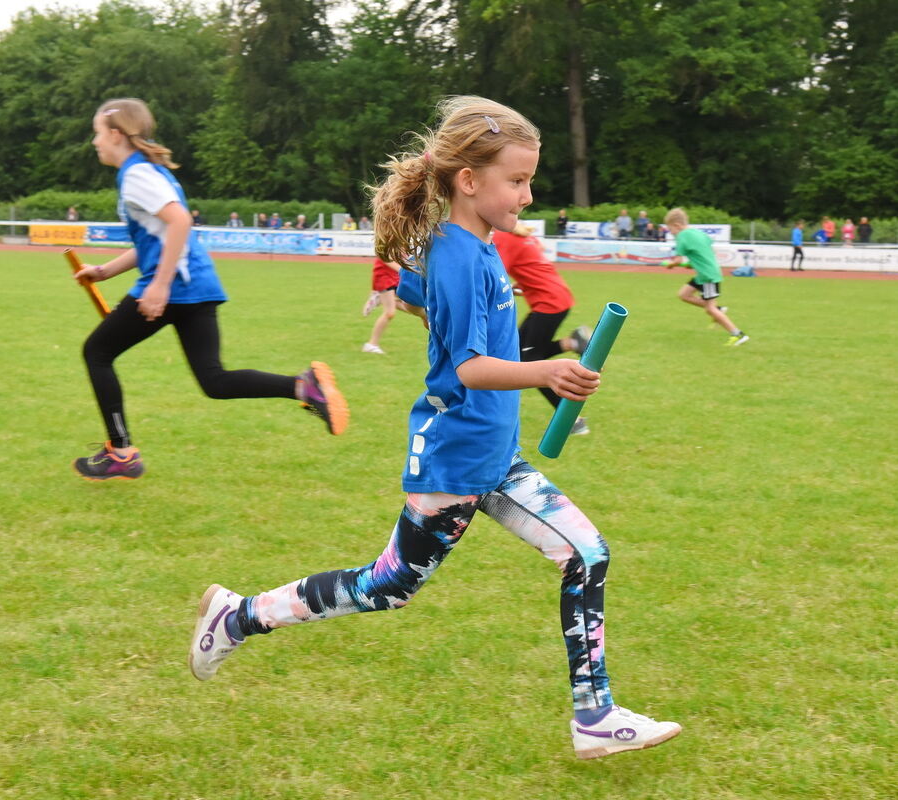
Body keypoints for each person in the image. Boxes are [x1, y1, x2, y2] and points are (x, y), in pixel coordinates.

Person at [189, 95, 682, 761]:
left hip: (493, 455)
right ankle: (240, 616)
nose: (527, 195)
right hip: (455, 459)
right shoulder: (458, 255)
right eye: (516, 180)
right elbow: (470, 367)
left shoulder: (471, 248)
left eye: (529, 180)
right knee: (386, 585)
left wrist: (426, 304)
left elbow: (416, 299)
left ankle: (594, 716)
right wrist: (547, 371)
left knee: (586, 553)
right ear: (468, 181)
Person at [72, 97, 349, 480]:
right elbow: (157, 236)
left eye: (98, 133)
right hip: (198, 284)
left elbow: (180, 221)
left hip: (175, 286)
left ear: (117, 134)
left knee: (97, 352)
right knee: (214, 381)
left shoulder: (136, 175)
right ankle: (304, 387)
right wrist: (105, 271)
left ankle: (121, 453)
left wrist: (159, 286)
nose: (95, 142)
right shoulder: (148, 172)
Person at [493, 223, 592, 434]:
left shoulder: (503, 237)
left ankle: (572, 420)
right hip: (555, 298)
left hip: (548, 303)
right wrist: (522, 284)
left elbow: (496, 275)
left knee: (531, 362)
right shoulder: (522, 236)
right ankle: (572, 342)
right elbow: (532, 265)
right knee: (519, 355)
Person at [663, 207, 749, 346]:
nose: (671, 233)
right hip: (705, 273)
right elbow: (704, 253)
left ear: (677, 225)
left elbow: (678, 260)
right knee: (684, 295)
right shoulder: (699, 233)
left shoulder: (682, 236)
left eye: (670, 229)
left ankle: (738, 334)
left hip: (707, 276)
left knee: (710, 309)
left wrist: (671, 265)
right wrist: (691, 264)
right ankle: (719, 309)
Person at [360, 257, 400, 354]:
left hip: (395, 275)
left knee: (413, 306)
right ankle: (371, 344)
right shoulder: (386, 246)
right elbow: (385, 257)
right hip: (384, 275)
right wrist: (404, 271)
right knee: (389, 312)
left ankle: (380, 298)